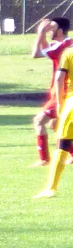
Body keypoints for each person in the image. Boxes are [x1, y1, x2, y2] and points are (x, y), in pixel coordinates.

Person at [31, 18, 73, 167]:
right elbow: (47, 51)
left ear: (60, 31)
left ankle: (44, 159)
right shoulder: (63, 44)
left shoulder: (64, 45)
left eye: (52, 28)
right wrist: (42, 35)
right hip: (60, 92)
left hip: (64, 92)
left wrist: (40, 33)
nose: (49, 30)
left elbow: (35, 53)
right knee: (56, 125)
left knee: (39, 121)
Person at [35, 43, 73, 198]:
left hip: (71, 103)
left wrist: (59, 103)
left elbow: (59, 78)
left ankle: (51, 188)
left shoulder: (69, 53)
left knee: (63, 144)